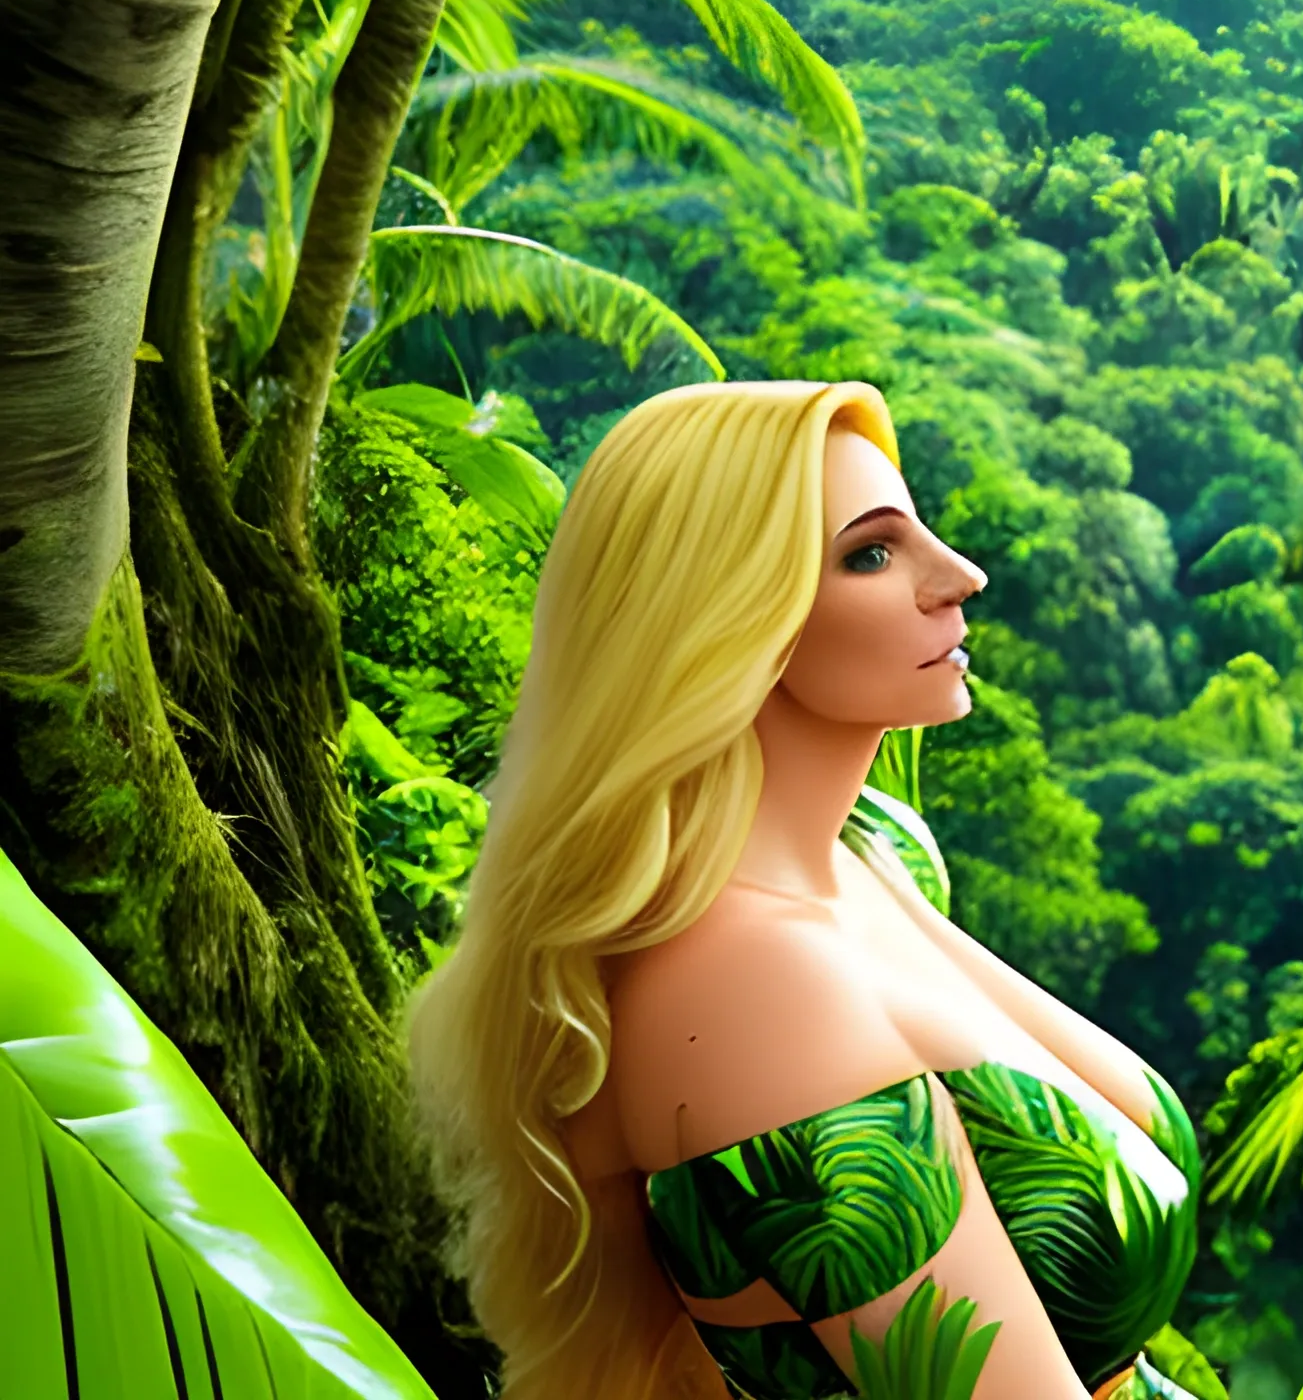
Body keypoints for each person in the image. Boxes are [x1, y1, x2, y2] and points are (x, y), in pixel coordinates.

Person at [409, 381, 1202, 1400]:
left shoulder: (872, 848)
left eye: (917, 534)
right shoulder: (747, 986)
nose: (959, 575)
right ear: (726, 614)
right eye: (870, 552)